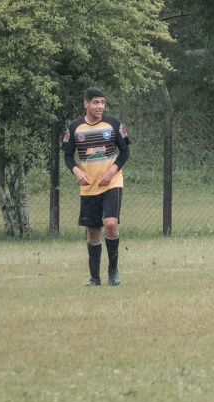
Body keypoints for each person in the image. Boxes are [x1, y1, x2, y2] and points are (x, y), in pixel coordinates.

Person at [62, 88, 131, 286]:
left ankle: (113, 270)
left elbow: (125, 151)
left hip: (112, 182)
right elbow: (67, 155)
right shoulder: (75, 127)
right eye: (95, 102)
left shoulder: (113, 124)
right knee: (93, 232)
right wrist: (76, 171)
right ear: (86, 104)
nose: (100, 106)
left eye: (102, 102)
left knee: (110, 223)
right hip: (89, 185)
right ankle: (95, 278)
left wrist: (112, 171)